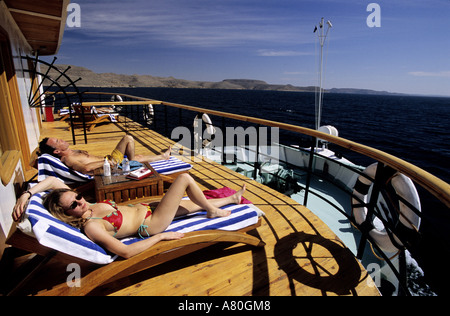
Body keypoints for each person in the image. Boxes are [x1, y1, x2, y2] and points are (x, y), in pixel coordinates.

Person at [13, 174, 246, 259]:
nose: (80, 201)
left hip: (147, 207)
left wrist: (26, 194)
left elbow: (53, 182)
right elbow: (125, 252)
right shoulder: (92, 227)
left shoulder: (85, 205)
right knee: (184, 179)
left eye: (77, 197)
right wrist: (161, 238)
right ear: (65, 214)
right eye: (74, 204)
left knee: (193, 204)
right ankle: (213, 211)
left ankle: (230, 200)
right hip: (151, 224)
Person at [39, 135, 171, 175]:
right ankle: (132, 166)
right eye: (57, 141)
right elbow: (85, 169)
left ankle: (163, 157)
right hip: (109, 164)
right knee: (127, 138)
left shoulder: (71, 152)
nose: (61, 139)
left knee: (138, 156)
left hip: (108, 159)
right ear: (56, 151)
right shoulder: (68, 158)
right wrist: (107, 162)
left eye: (59, 138)